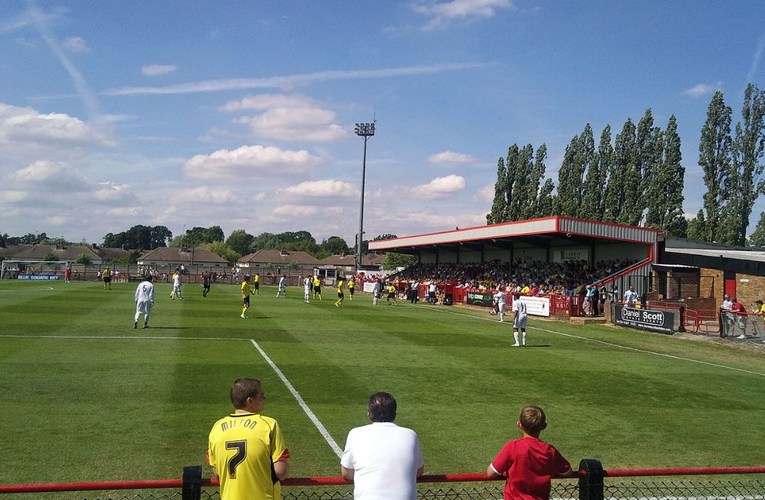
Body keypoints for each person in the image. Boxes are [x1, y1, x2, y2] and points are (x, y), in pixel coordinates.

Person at [208, 378, 290, 500]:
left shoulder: (217, 427)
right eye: (261, 396)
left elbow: (217, 471)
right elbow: (281, 472)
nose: (264, 399)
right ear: (250, 401)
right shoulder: (269, 425)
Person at [340, 392, 424, 500]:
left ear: (369, 414)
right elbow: (418, 471)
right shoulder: (410, 435)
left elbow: (346, 473)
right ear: (395, 414)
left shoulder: (356, 434)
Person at [486, 405, 575, 500]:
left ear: (519, 425)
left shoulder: (512, 447)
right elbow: (567, 471)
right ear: (544, 426)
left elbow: (491, 473)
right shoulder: (549, 451)